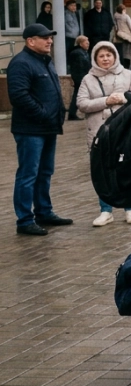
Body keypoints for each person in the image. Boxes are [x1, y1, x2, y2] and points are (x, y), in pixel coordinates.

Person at [9, 24, 73, 236]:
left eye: (50, 38)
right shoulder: (21, 63)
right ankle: (25, 220)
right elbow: (19, 96)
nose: (50, 41)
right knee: (28, 174)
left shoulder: (45, 61)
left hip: (48, 129)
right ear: (30, 41)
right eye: (44, 38)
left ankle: (44, 212)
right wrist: (43, 114)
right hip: (30, 130)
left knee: (45, 172)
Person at [77, 40, 131, 226]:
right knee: (102, 172)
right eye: (101, 56)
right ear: (95, 58)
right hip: (99, 132)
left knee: (125, 169)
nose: (105, 59)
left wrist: (123, 98)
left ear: (115, 56)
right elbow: (81, 104)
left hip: (124, 130)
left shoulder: (129, 75)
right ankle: (105, 210)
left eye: (109, 55)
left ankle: (129, 208)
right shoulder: (87, 79)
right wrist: (106, 101)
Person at [67, 36, 91, 121]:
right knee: (77, 95)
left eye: (88, 42)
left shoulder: (83, 52)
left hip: (81, 77)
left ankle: (72, 113)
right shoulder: (78, 53)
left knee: (78, 95)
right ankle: (72, 113)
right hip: (80, 78)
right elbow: (80, 67)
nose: (88, 44)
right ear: (80, 43)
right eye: (86, 42)